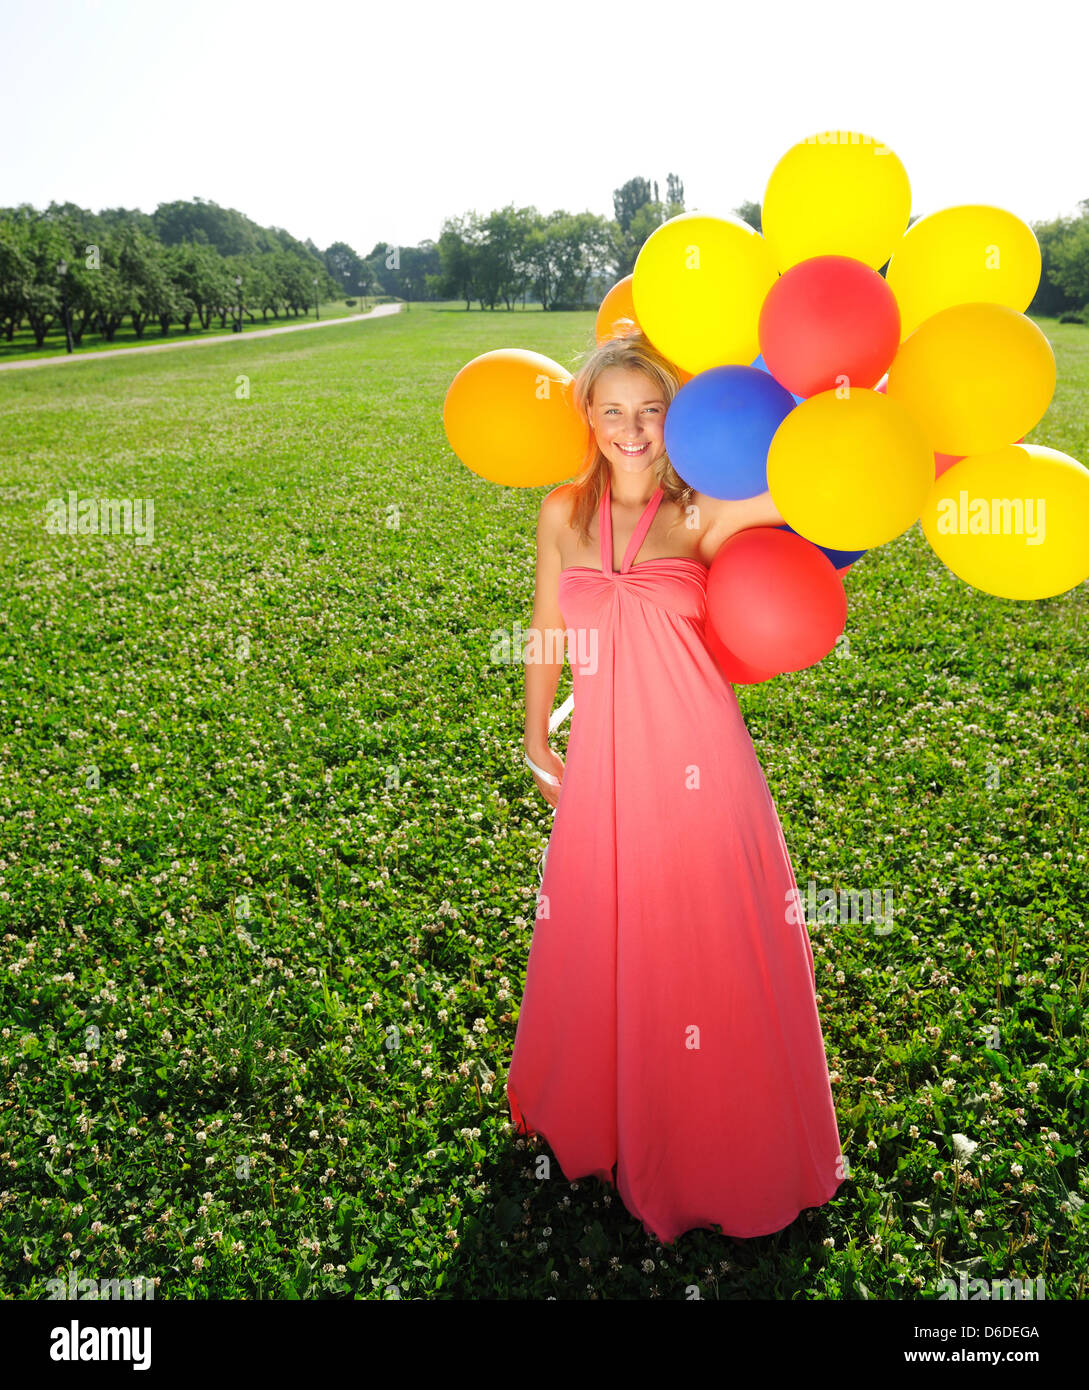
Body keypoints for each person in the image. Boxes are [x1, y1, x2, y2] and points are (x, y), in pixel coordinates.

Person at [506, 331, 846, 1245]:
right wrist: (535, 734)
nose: (630, 428)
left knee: (704, 941)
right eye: (611, 410)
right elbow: (545, 622)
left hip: (700, 765)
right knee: (601, 924)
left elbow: (818, 484)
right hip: (604, 766)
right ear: (586, 414)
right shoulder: (560, 515)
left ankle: (720, 1149)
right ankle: (607, 1117)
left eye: (649, 410)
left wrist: (848, 412)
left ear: (676, 417)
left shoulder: (701, 510)